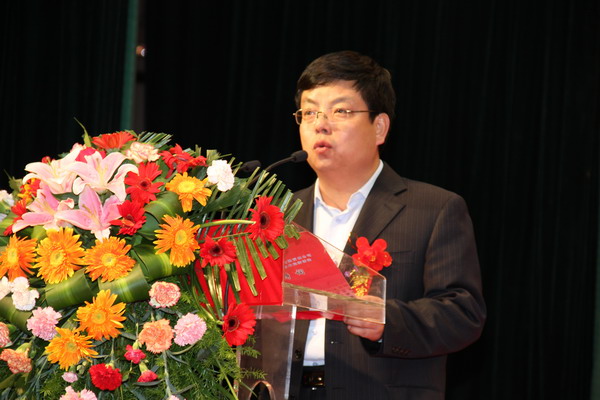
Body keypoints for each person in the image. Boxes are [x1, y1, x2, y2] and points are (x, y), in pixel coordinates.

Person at [287, 50, 486, 400]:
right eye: (310, 112)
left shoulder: (434, 209)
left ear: (379, 127)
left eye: (340, 111)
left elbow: (462, 314)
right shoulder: (278, 215)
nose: (321, 124)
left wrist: (386, 320)